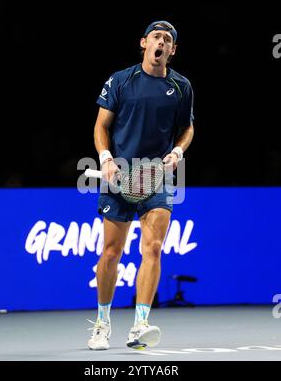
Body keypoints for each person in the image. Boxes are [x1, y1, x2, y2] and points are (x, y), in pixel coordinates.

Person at [87, 20, 194, 350]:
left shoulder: (181, 87)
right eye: (156, 37)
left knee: (153, 248)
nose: (161, 42)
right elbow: (101, 125)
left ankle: (140, 324)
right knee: (110, 253)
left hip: (158, 177)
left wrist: (177, 151)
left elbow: (187, 129)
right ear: (144, 43)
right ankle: (102, 323)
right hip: (118, 175)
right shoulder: (121, 80)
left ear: (172, 50)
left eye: (168, 39)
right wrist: (105, 158)